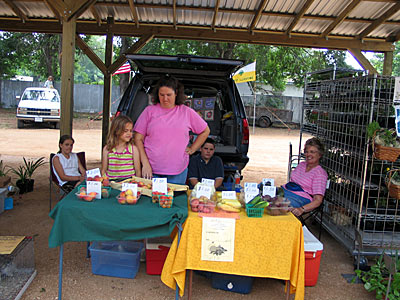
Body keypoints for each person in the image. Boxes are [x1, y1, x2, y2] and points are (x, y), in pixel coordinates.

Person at [134, 75, 210, 185]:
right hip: (151, 171)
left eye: (169, 95)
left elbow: (205, 130)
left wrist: (193, 148)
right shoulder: (149, 111)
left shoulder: (186, 112)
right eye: (162, 95)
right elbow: (138, 138)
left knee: (173, 201)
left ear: (176, 93)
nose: (165, 99)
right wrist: (145, 163)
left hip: (178, 171)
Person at [282, 137, 328, 217]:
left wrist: (302, 209)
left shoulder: (320, 173)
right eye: (306, 152)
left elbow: (318, 200)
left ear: (319, 154)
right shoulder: (301, 165)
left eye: (312, 152)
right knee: (262, 191)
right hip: (286, 191)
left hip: (300, 198)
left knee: (275, 205)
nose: (308, 154)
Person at [101, 115, 141, 180]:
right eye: (126, 131)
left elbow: (138, 171)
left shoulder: (133, 149)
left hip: (128, 184)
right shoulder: (107, 149)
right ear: (116, 131)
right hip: (111, 183)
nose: (129, 133)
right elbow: (103, 170)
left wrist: (136, 184)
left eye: (130, 131)